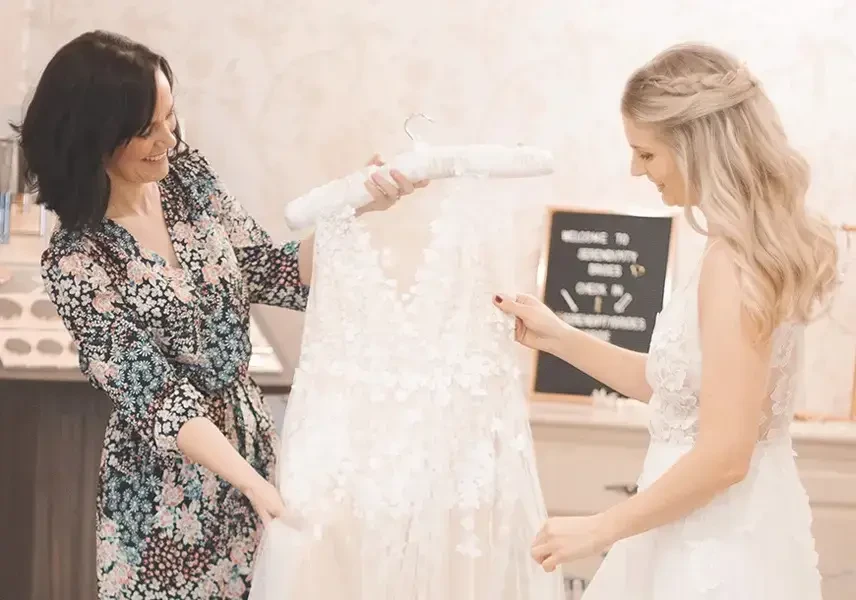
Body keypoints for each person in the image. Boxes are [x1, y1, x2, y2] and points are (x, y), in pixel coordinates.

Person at [16, 30, 426, 600]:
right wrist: (252, 484)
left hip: (249, 439)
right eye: (146, 130)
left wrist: (353, 205)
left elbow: (268, 269)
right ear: (94, 139)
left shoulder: (185, 177)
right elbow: (157, 397)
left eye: (170, 117)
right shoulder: (76, 260)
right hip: (166, 490)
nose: (169, 138)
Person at [494, 42, 837, 599]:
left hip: (712, 542)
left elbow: (726, 455)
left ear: (697, 147)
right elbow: (677, 388)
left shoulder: (734, 261)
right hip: (699, 524)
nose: (636, 169)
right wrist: (559, 337)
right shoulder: (735, 248)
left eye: (647, 154)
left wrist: (601, 526)